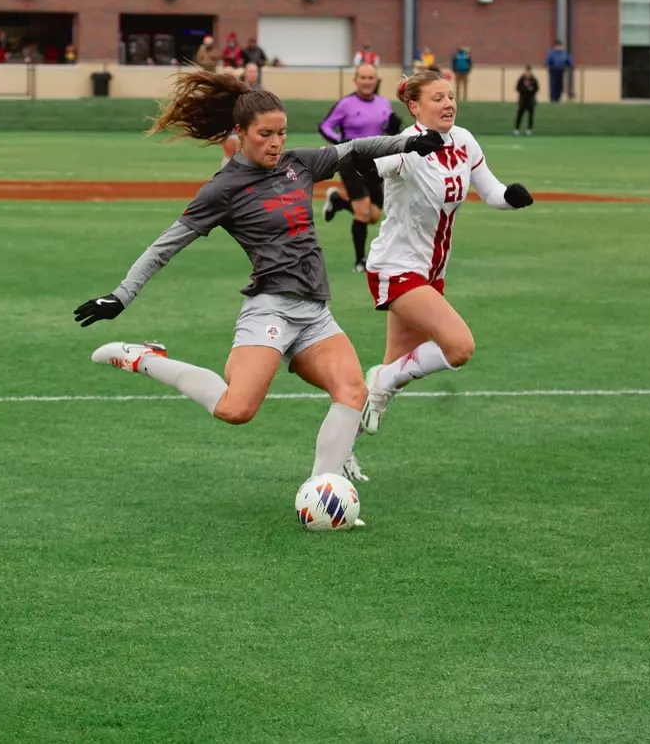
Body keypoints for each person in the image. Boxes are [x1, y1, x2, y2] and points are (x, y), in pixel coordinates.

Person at [73, 69, 448, 494]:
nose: (275, 143)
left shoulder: (299, 164)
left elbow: (355, 148)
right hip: (270, 309)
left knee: (352, 391)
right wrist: (120, 297)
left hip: (315, 315)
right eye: (265, 134)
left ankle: (323, 492)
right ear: (240, 133)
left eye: (282, 133)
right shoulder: (223, 189)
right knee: (236, 409)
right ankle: (145, 358)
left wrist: (408, 142)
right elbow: (165, 246)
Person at [359, 70, 536, 435]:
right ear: (415, 107)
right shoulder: (407, 144)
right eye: (437, 98)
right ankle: (380, 381)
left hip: (432, 273)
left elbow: (491, 192)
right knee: (458, 348)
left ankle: (340, 455)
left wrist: (511, 198)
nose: (448, 104)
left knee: (394, 373)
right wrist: (377, 156)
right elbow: (367, 166)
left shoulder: (464, 140)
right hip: (397, 267)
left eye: (451, 96)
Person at [317, 63, 395, 274]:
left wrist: (394, 128)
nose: (367, 81)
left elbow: (388, 129)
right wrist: (340, 141)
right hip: (350, 160)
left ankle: (338, 202)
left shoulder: (384, 103)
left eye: (371, 78)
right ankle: (360, 261)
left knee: (373, 216)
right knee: (362, 211)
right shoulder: (346, 104)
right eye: (363, 77)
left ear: (376, 80)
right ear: (356, 80)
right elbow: (324, 126)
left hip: (376, 163)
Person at [513, 65, 540, 135]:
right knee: (519, 115)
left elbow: (537, 88)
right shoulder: (521, 79)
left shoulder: (533, 80)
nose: (527, 73)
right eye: (526, 71)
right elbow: (517, 88)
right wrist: (525, 90)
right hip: (522, 100)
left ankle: (529, 129)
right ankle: (517, 129)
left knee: (530, 116)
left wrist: (532, 90)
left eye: (529, 71)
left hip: (530, 100)